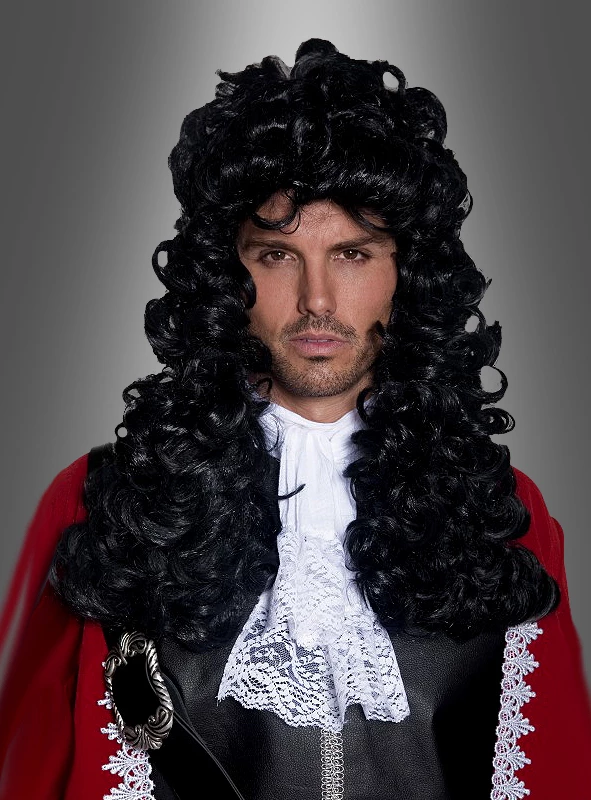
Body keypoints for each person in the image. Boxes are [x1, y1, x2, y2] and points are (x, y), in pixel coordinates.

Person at [0, 37, 590, 800]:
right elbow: (31, 768)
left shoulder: (503, 511)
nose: (317, 299)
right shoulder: (99, 503)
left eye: (352, 254)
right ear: (227, 272)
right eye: (276, 256)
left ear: (404, 273)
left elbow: (556, 771)